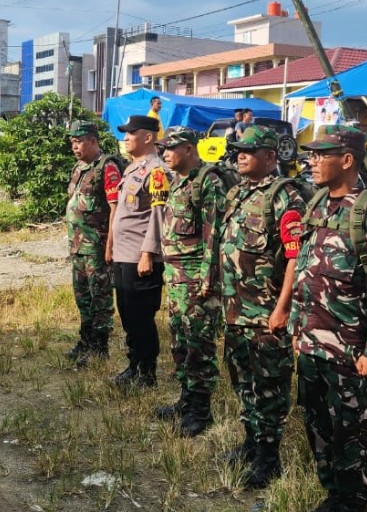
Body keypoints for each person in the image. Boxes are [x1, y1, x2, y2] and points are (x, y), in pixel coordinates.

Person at [289, 125, 367, 512]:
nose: (313, 160)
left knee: (350, 430)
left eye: (322, 155)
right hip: (310, 344)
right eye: (312, 154)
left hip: (351, 351)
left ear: (348, 160)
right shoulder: (317, 205)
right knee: (317, 422)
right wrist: (296, 328)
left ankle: (354, 499)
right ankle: (333, 492)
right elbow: (305, 269)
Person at [220, 126, 305, 488]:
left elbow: (294, 258)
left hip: (265, 314)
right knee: (243, 383)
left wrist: (282, 309)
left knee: (269, 388)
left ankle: (269, 458)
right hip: (236, 310)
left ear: (270, 157)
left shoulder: (284, 197)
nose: (240, 155)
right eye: (238, 149)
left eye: (249, 151)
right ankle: (251, 443)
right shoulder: (238, 193)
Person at [154, 126, 226, 437]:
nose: (165, 154)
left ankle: (201, 410)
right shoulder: (177, 182)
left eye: (171, 148)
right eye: (163, 149)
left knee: (199, 345)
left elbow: (214, 232)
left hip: (197, 279)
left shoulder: (207, 181)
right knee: (180, 342)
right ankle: (185, 399)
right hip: (177, 279)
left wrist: (209, 277)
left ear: (188, 149)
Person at [111, 115, 170, 388]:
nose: (125, 138)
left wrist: (148, 253)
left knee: (141, 318)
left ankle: (147, 373)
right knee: (127, 314)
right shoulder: (132, 168)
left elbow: (158, 216)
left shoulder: (156, 171)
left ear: (148, 137)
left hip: (140, 257)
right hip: (124, 255)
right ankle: (134, 365)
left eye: (130, 133)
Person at [65, 120, 121, 367]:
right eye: (72, 142)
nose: (75, 147)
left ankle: (100, 347)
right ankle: (85, 341)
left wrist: (110, 246)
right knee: (83, 297)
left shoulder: (106, 168)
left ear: (93, 141)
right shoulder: (79, 168)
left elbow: (115, 209)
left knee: (100, 298)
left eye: (79, 142)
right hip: (78, 247)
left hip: (97, 248)